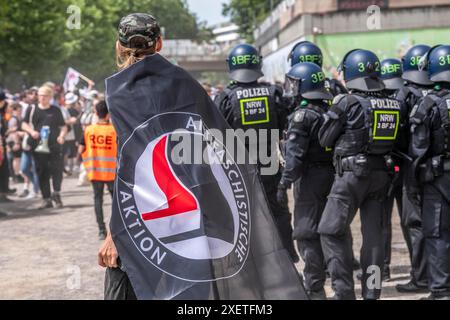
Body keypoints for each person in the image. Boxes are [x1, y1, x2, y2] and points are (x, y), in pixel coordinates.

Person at [318, 49, 405, 300]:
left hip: (350, 177)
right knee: (374, 238)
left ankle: (344, 292)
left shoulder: (347, 102)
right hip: (382, 176)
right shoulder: (394, 103)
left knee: (330, 230)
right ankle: (371, 294)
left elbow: (325, 138)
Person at [214, 43, 299, 263]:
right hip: (270, 161)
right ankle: (287, 258)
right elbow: (284, 124)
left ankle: (252, 264)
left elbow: (215, 134)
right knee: (278, 212)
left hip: (239, 166)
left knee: (244, 217)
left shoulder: (225, 98)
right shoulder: (274, 93)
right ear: (257, 63)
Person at [277, 62, 333, 299]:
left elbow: (295, 156)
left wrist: (284, 183)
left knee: (306, 233)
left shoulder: (301, 116)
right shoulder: (327, 110)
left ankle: (314, 289)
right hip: (330, 176)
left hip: (309, 180)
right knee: (329, 233)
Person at [409, 45, 450, 300]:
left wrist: (412, 185)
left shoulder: (428, 104)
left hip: (438, 178)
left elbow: (418, 149)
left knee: (437, 233)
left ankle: (442, 290)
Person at [395, 44, 435, 294]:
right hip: (437, 168)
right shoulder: (439, 93)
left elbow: (396, 133)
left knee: (415, 223)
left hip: (412, 166)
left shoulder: (405, 94)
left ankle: (421, 278)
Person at [379, 58, 406, 281]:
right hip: (405, 167)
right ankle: (421, 271)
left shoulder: (373, 102)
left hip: (385, 167)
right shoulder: (406, 99)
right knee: (411, 221)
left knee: (381, 221)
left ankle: (383, 270)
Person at [21, 85, 68, 209]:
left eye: (45, 95)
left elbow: (63, 126)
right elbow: (24, 124)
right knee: (42, 172)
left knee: (57, 170)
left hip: (54, 145)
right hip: (38, 147)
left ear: (50, 97)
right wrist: (32, 132)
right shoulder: (32, 109)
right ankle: (46, 198)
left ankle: (56, 194)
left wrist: (62, 136)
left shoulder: (55, 110)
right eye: (40, 95)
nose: (42, 97)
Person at [79, 100, 117, 240]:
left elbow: (80, 149)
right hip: (112, 173)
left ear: (96, 113)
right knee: (116, 203)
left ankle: (101, 230)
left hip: (95, 171)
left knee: (97, 200)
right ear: (109, 115)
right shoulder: (114, 130)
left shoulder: (89, 130)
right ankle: (116, 230)